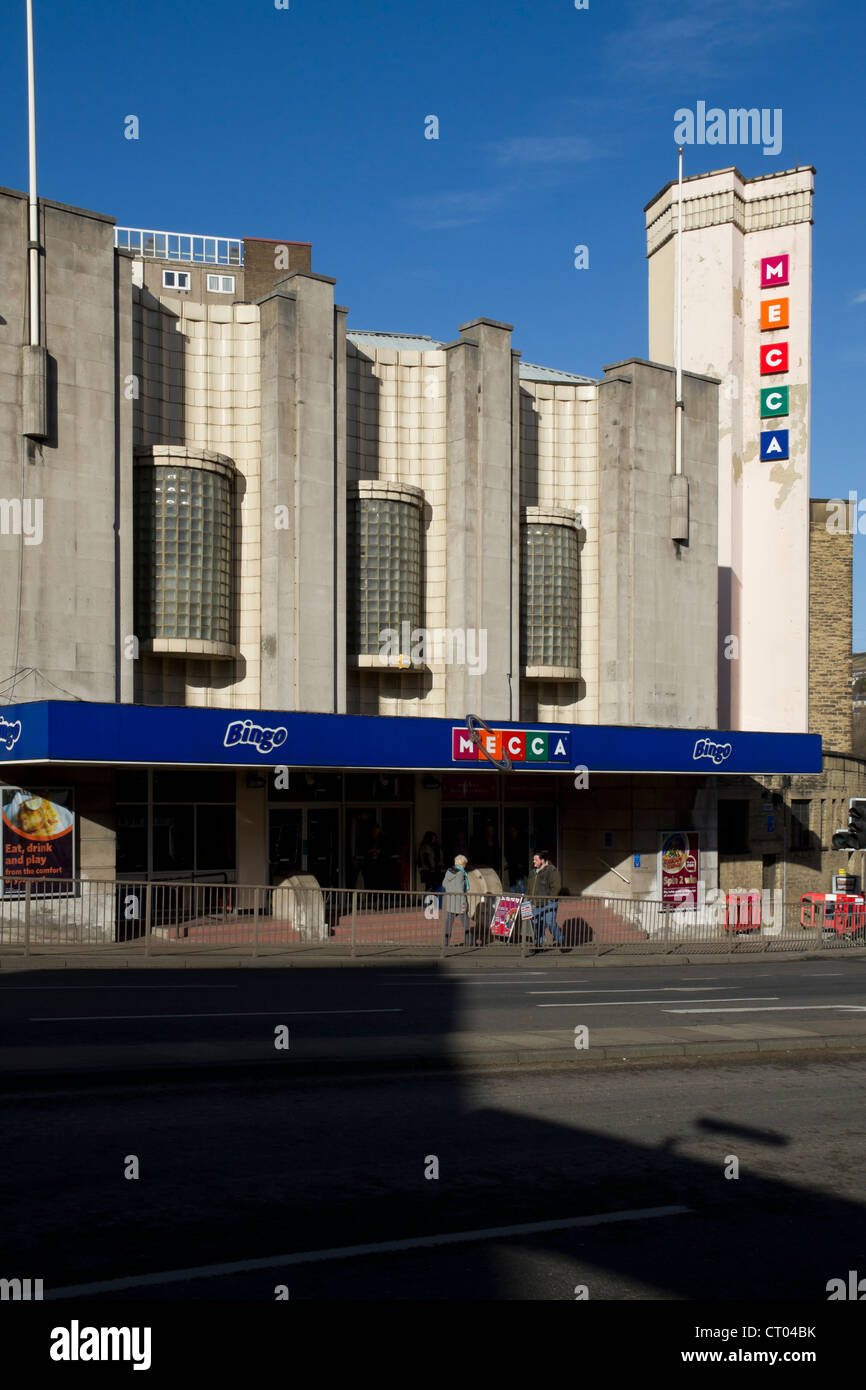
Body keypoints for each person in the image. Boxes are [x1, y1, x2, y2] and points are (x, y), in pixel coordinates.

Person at [526, 850, 563, 950]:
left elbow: (556, 887)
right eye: (533, 860)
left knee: (551, 924)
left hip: (548, 903)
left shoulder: (552, 870)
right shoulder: (532, 872)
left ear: (542, 860)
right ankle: (538, 945)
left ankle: (562, 942)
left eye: (536, 860)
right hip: (534, 903)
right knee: (537, 925)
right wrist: (528, 900)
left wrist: (550, 900)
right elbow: (529, 887)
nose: (533, 862)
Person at [441, 854, 473, 948]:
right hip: (459, 902)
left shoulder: (449, 871)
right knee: (466, 924)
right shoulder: (460, 873)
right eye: (465, 864)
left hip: (450, 901)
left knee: (448, 924)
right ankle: (469, 943)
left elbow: (444, 884)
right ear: (462, 864)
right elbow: (460, 890)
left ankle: (445, 944)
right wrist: (464, 905)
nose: (465, 866)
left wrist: (451, 889)